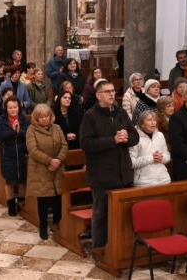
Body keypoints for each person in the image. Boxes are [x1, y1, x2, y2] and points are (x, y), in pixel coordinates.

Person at [80, 79, 139, 248]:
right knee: (101, 214)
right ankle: (99, 248)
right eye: (107, 91)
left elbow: (135, 137)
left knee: (123, 214)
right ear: (99, 95)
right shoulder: (90, 116)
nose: (112, 94)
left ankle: (119, 247)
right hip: (102, 174)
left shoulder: (121, 113)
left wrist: (127, 138)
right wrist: (113, 140)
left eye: (113, 90)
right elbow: (86, 144)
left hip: (123, 173)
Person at [26, 104, 68, 240]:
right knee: (43, 198)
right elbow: (33, 150)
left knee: (58, 196)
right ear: (36, 119)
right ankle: (43, 226)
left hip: (58, 167)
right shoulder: (31, 130)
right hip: (40, 168)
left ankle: (57, 223)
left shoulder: (57, 128)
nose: (45, 119)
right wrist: (50, 161)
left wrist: (58, 160)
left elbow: (64, 145)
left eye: (47, 116)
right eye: (41, 117)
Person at [0, 96, 29, 216]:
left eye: (15, 107)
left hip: (22, 153)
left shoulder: (24, 119)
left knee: (22, 180)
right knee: (10, 180)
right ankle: (11, 205)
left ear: (18, 107)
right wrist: (12, 132)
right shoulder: (2, 120)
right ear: (6, 108)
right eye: (10, 107)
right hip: (8, 154)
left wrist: (19, 132)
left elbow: (29, 133)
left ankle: (22, 203)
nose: (13, 110)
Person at [129, 111, 171, 187]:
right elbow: (131, 163)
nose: (153, 123)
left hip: (164, 179)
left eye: (154, 120)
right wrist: (151, 158)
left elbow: (167, 156)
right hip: (144, 182)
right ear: (142, 124)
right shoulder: (135, 138)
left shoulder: (160, 135)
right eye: (149, 120)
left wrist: (162, 157)